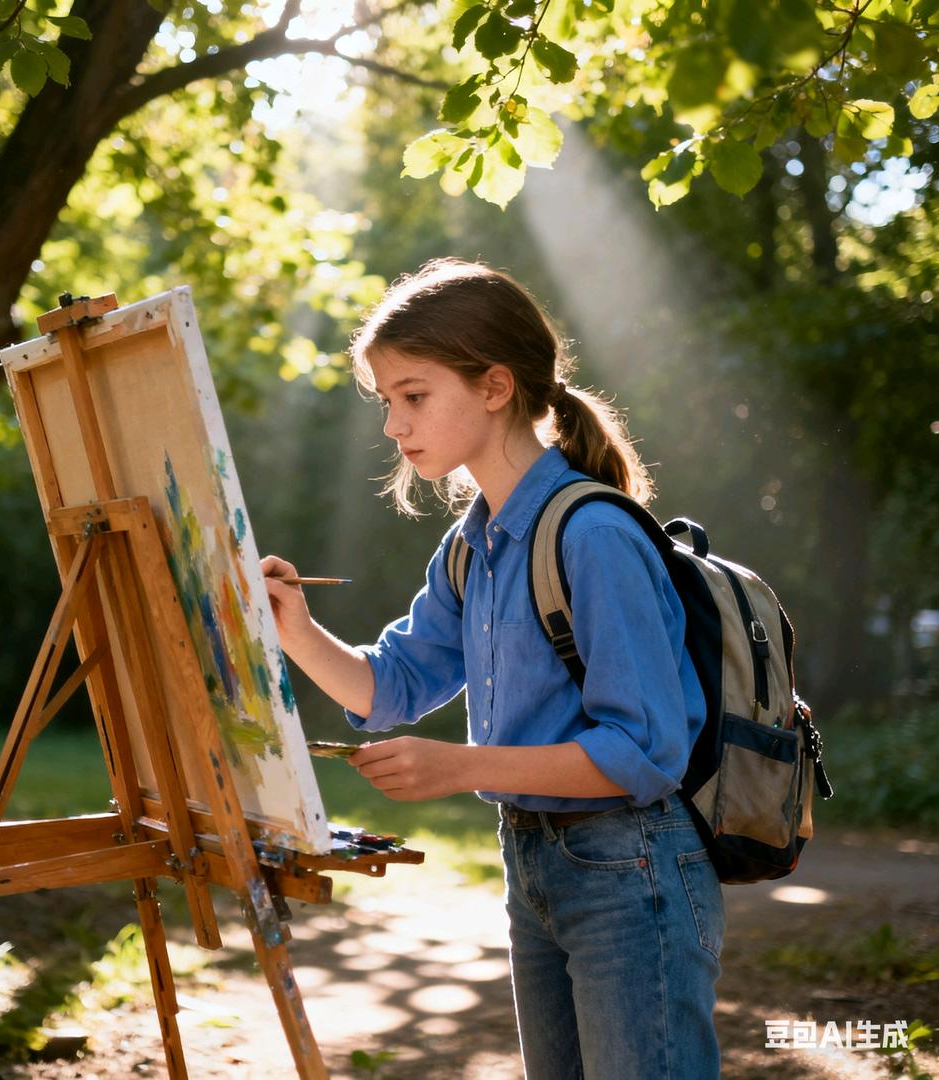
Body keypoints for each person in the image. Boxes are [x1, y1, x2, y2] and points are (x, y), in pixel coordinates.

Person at [261, 258, 724, 1080]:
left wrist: (461, 766)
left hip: (630, 869)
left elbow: (645, 752)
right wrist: (296, 630)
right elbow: (393, 684)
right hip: (533, 863)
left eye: (413, 395)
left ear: (495, 386)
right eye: (386, 402)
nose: (393, 425)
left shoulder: (594, 535)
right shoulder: (472, 544)